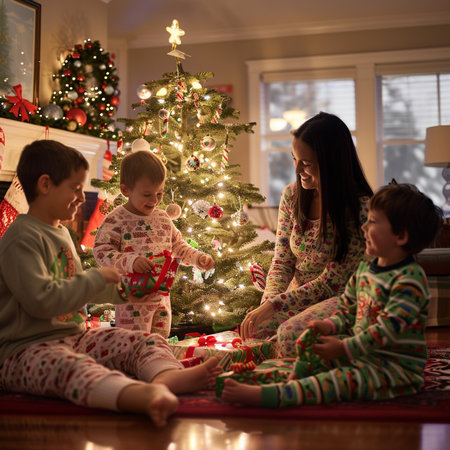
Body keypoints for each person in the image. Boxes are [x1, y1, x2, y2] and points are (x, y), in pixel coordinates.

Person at [0, 140, 220, 427]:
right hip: (26, 350)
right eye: (75, 188)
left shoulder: (60, 233)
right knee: (73, 369)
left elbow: (74, 285)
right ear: (45, 185)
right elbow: (42, 300)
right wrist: (96, 278)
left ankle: (166, 375)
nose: (82, 197)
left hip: (75, 337)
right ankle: (137, 396)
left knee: (143, 340)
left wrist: (122, 292)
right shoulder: (21, 239)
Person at [223, 183, 443, 408]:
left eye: (373, 221)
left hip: (392, 369)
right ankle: (292, 378)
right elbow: (347, 311)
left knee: (338, 381)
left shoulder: (409, 281)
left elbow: (385, 331)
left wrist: (344, 348)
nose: (364, 227)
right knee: (310, 344)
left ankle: (273, 397)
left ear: (401, 236)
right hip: (362, 355)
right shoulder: (366, 269)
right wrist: (328, 326)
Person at [241, 112, 373, 357]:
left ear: (331, 162)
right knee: (255, 330)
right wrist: (267, 303)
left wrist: (275, 305)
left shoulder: (361, 208)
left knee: (291, 336)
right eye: (294, 159)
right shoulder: (292, 196)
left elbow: (332, 281)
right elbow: (282, 261)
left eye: (307, 163)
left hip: (341, 299)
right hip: (295, 298)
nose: (297, 169)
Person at [93, 150, 214, 337]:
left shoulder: (163, 218)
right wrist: (130, 261)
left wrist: (198, 258)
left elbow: (178, 246)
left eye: (160, 193)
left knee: (160, 344)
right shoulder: (116, 219)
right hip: (132, 301)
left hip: (161, 299)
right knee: (134, 347)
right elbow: (102, 252)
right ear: (126, 190)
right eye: (147, 194)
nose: (155, 200)